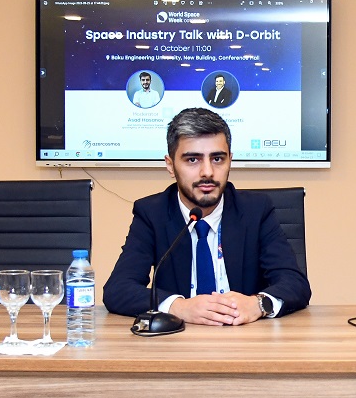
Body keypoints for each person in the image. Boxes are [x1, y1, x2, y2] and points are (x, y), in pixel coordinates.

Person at [103, 107, 311, 325]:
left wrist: (258, 304)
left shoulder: (256, 211)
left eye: (217, 159)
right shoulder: (152, 214)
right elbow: (118, 288)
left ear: (230, 160)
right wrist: (179, 307)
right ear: (170, 165)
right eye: (193, 160)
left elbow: (295, 283)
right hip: (179, 337)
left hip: (246, 335)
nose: (208, 172)